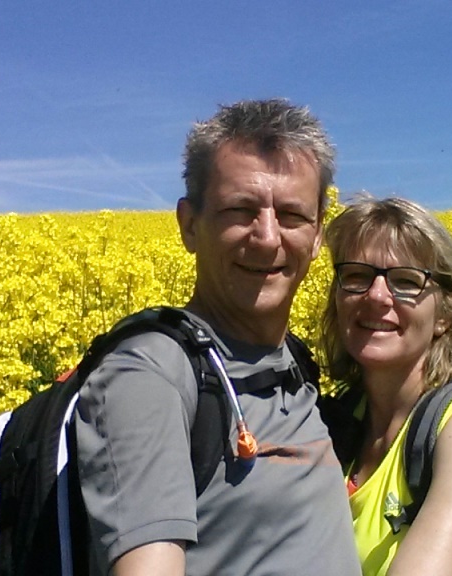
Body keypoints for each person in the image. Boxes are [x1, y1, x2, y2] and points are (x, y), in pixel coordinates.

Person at [73, 99, 361, 576]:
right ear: (189, 225)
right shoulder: (151, 376)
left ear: (317, 237)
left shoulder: (296, 365)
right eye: (240, 211)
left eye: (292, 215)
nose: (267, 238)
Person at [320, 196, 452, 576]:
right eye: (357, 276)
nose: (376, 296)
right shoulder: (337, 421)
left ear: (447, 314)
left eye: (405, 282)